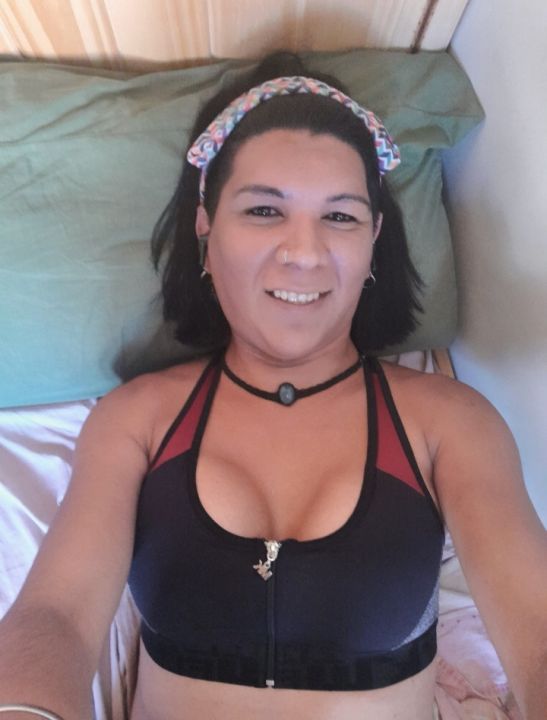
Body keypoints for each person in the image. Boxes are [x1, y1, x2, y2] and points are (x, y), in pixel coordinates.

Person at [0, 51, 546, 720]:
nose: (304, 252)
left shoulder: (449, 422)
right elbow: (55, 616)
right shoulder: (137, 419)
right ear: (206, 225)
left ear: (374, 239)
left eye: (340, 217)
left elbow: (536, 625)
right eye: (263, 210)